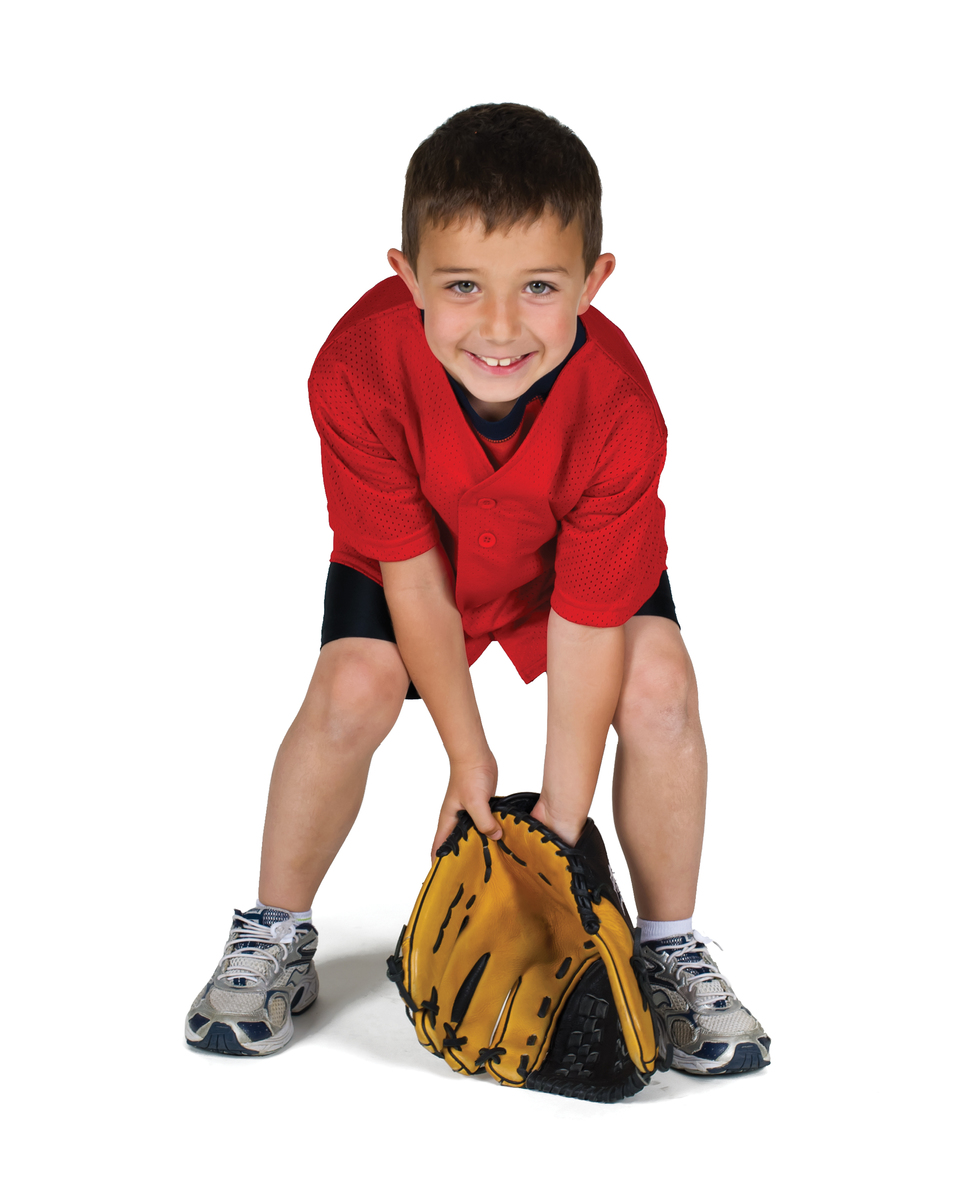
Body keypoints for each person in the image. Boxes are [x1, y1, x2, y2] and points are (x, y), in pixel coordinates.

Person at [185, 103, 770, 1076]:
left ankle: (669, 949)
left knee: (659, 684)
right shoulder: (358, 367)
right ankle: (274, 932)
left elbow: (588, 625)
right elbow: (410, 575)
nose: (499, 326)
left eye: (540, 286)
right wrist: (470, 761)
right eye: (461, 285)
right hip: (425, 555)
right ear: (405, 275)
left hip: (559, 562)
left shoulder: (618, 408)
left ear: (595, 280)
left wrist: (562, 833)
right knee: (354, 687)